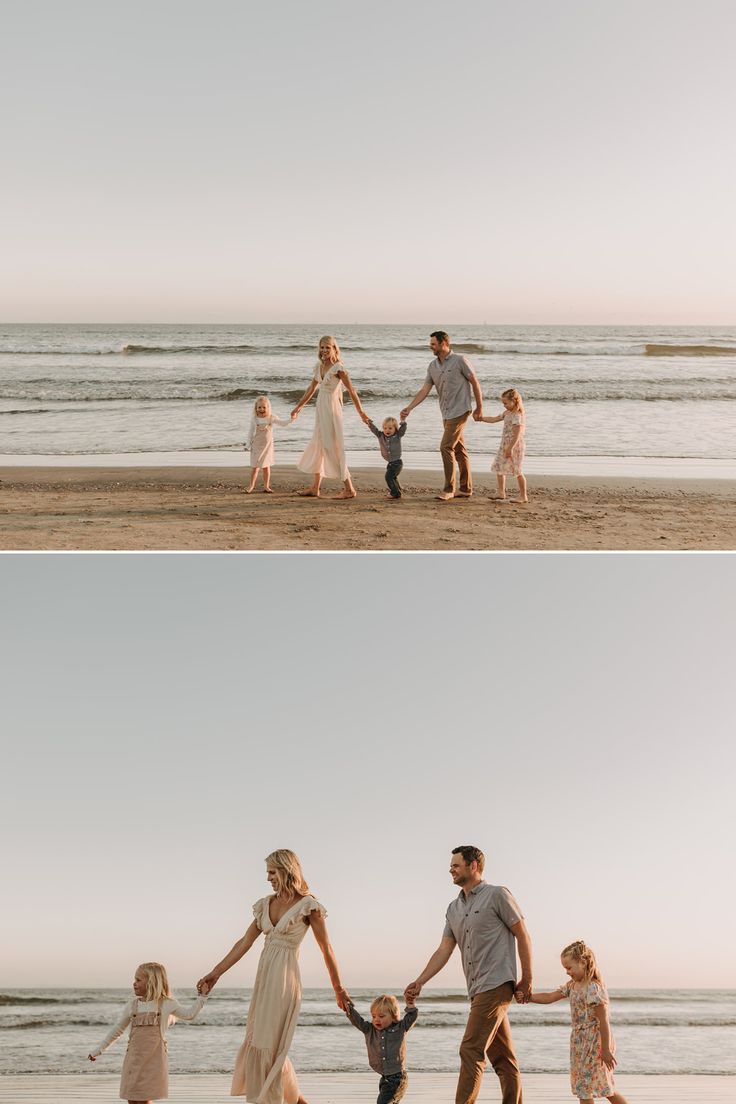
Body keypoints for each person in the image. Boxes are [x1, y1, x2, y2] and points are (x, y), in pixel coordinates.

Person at [197, 849, 350, 1104]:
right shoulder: (266, 904)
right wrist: (215, 974)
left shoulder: (307, 905)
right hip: (265, 977)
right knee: (260, 1039)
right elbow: (243, 943)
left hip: (284, 980)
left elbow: (327, 948)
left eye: (272, 872)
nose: (268, 878)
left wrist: (338, 988)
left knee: (269, 1043)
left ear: (287, 870)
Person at [404, 845, 532, 1104]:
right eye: (451, 865)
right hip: (476, 989)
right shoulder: (453, 909)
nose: (451, 869)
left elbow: (522, 934)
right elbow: (443, 950)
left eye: (456, 864)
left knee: (470, 1049)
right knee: (503, 1058)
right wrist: (420, 981)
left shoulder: (497, 895)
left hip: (496, 983)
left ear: (473, 866)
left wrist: (527, 978)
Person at [88, 961, 208, 1104]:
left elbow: (190, 1014)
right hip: (133, 1060)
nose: (134, 983)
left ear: (151, 982)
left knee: (144, 1100)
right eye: (134, 979)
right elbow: (118, 1029)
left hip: (154, 1061)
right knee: (132, 1099)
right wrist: (98, 1050)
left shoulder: (166, 1003)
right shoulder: (133, 1005)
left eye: (138, 980)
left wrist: (202, 996)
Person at [529, 941, 630, 1104]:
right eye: (565, 969)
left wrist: (605, 1049)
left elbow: (603, 1021)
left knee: (604, 1087)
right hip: (579, 1043)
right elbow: (549, 997)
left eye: (569, 968)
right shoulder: (572, 986)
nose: (567, 972)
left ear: (583, 963)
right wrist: (528, 997)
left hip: (595, 1043)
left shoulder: (593, 988)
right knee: (584, 1088)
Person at [399, 331, 483, 501]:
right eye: (430, 344)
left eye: (433, 344)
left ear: (444, 343)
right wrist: (410, 407)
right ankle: (466, 488)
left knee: (445, 447)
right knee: (459, 449)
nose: (431, 346)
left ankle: (449, 489)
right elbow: (425, 389)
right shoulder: (432, 366)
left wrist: (479, 408)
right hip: (445, 411)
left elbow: (474, 382)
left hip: (461, 410)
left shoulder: (460, 360)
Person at [291, 335, 368, 499]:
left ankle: (349, 489)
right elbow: (311, 389)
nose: (324, 350)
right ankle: (315, 488)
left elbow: (352, 391)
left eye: (328, 347)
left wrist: (361, 412)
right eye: (322, 347)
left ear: (334, 349)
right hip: (321, 408)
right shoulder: (319, 366)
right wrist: (299, 407)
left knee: (332, 446)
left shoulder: (338, 368)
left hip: (331, 410)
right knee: (319, 444)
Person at [344, 992, 418, 1104]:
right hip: (384, 1079)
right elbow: (357, 1020)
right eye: (374, 1016)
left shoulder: (400, 1028)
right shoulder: (369, 1030)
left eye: (381, 1016)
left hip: (398, 1079)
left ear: (393, 1016)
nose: (376, 1019)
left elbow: (411, 1017)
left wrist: (410, 1005)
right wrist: (347, 1007)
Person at [480, 388, 527, 503]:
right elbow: (495, 419)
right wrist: (481, 418)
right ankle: (501, 492)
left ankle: (523, 496)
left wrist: (510, 448)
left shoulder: (517, 415)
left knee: (517, 470)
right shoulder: (507, 413)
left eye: (505, 403)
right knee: (499, 466)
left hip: (514, 446)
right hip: (505, 444)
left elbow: (517, 435)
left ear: (514, 401)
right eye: (503, 403)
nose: (504, 405)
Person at [245, 396, 294, 494]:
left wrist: (291, 419)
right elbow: (250, 432)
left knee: (266, 467)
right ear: (256, 408)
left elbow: (283, 423)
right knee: (255, 467)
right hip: (256, 445)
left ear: (268, 408)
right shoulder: (255, 419)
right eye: (259, 407)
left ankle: (266, 486)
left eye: (264, 407)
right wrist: (247, 444)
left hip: (267, 447)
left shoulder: (271, 418)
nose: (262, 409)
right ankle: (251, 486)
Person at [365, 416, 407, 499]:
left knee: (388, 477)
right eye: (385, 428)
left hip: (397, 463)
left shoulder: (398, 435)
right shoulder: (381, 436)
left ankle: (395, 493)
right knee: (393, 477)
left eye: (390, 428)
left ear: (395, 429)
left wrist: (403, 421)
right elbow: (374, 430)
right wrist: (369, 423)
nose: (387, 430)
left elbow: (403, 428)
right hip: (390, 463)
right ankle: (397, 489)